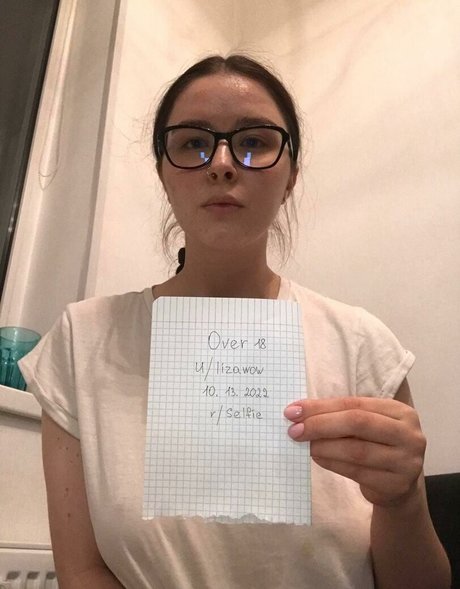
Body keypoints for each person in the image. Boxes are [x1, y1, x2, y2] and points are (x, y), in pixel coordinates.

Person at [19, 54, 451, 589]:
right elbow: (83, 572)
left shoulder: (364, 346)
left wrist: (403, 502)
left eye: (254, 142)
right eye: (192, 143)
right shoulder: (82, 342)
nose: (222, 163)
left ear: (291, 176)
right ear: (163, 174)